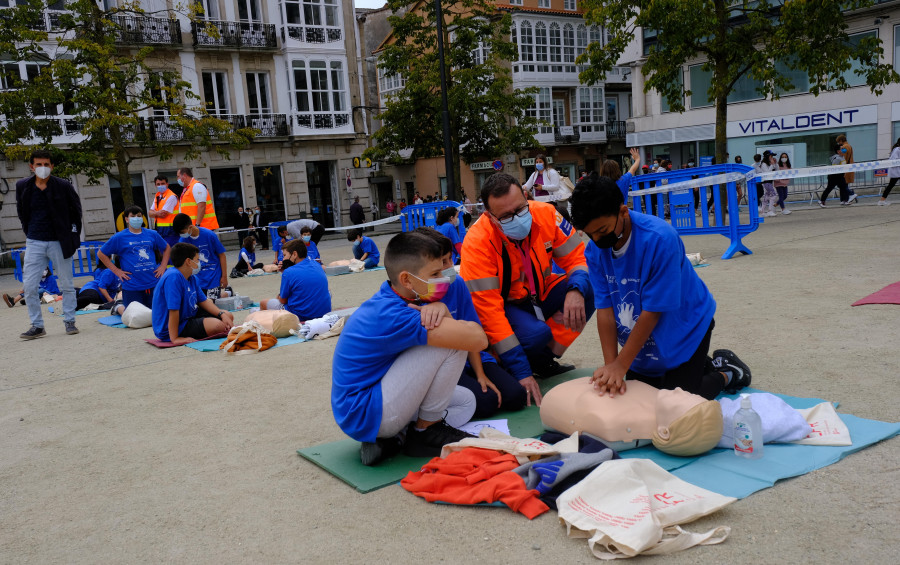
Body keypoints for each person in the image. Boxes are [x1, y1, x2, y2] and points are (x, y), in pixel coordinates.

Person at [569, 174, 751, 401]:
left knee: (677, 404)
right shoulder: (595, 250)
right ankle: (699, 365)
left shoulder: (659, 239)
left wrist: (622, 365)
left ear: (623, 212)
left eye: (603, 231)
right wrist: (612, 366)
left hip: (685, 327)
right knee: (639, 400)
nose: (597, 240)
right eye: (590, 234)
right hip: (644, 337)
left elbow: (653, 312)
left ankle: (728, 372)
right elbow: (605, 309)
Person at [331, 232, 487, 465]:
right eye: (434, 274)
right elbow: (477, 339)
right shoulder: (395, 314)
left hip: (363, 410)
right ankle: (426, 431)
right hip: (368, 412)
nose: (443, 278)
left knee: (466, 402)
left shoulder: (391, 298)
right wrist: (444, 311)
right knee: (453, 342)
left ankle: (398, 437)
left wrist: (442, 309)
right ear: (406, 279)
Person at [460, 173, 594, 407]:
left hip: (537, 294)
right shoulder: (477, 242)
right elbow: (489, 313)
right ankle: (511, 362)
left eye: (521, 209)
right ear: (489, 216)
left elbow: (576, 258)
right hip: (506, 305)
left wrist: (576, 289)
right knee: (536, 334)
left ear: (526, 196)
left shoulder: (547, 214)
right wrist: (521, 372)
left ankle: (543, 360)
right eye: (506, 216)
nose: (517, 219)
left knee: (588, 288)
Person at [417, 227, 526, 419]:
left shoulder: (457, 284)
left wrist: (481, 374)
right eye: (443, 262)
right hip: (445, 365)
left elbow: (471, 334)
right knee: (488, 402)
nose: (449, 265)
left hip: (472, 357)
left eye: (451, 258)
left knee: (516, 397)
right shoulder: (415, 295)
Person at [14, 150, 83, 339]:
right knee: (29, 286)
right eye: (38, 164)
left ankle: (70, 321)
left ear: (52, 166)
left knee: (67, 284)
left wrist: (73, 239)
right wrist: (30, 232)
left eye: (46, 164)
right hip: (35, 240)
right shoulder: (23, 186)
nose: (42, 168)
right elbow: (22, 212)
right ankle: (37, 326)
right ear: (31, 166)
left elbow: (76, 212)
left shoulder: (63, 186)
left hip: (59, 241)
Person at [151, 242, 233, 344]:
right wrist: (175, 339)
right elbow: (173, 310)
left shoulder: (192, 277)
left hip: (187, 316)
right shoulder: (173, 277)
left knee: (228, 316)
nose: (199, 263)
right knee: (218, 326)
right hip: (173, 327)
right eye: (197, 260)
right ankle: (177, 335)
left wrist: (221, 314)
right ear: (188, 261)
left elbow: (204, 301)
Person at [98, 205, 171, 315]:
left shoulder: (152, 234)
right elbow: (101, 254)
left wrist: (163, 266)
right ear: (127, 219)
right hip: (132, 285)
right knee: (135, 316)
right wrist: (117, 271)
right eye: (133, 216)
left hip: (153, 282)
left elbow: (167, 248)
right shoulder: (119, 237)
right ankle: (118, 307)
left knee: (158, 314)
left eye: (139, 216)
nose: (136, 218)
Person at [260, 240, 331, 320]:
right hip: (324, 312)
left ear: (294, 254)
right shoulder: (317, 265)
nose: (283, 259)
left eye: (284, 255)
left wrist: (284, 273)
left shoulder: (289, 272)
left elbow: (283, 300)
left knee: (263, 302)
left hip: (300, 315)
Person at [172, 213, 227, 295]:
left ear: (190, 227)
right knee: (202, 304)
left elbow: (222, 255)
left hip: (213, 277)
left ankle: (226, 293)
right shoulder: (183, 240)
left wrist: (224, 277)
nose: (182, 235)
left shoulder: (210, 235)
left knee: (212, 301)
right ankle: (226, 293)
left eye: (183, 232)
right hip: (196, 279)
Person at [147, 175, 180, 248]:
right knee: (164, 253)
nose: (160, 186)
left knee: (170, 254)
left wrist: (154, 213)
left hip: (171, 232)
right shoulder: (158, 196)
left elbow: (163, 214)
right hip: (161, 231)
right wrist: (157, 213)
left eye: (162, 183)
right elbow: (149, 213)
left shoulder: (171, 196)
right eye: (158, 184)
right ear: (155, 185)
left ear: (167, 184)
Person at [836, 134, 858, 204]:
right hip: (849, 167)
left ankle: (851, 194)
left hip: (845, 167)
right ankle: (844, 200)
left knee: (842, 184)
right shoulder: (848, 146)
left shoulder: (844, 147)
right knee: (844, 184)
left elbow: (843, 158)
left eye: (839, 142)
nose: (838, 143)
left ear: (841, 141)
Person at [878, 137, 900, 206]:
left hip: (897, 171)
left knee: (890, 186)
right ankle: (882, 200)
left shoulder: (897, 149)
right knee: (890, 186)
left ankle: (882, 200)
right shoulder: (897, 150)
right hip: (896, 171)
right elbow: (894, 160)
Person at [760, 152, 779, 218]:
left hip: (770, 182)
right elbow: (767, 173)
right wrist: (772, 165)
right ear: (767, 156)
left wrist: (775, 163)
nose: (772, 158)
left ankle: (762, 212)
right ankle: (770, 210)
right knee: (773, 195)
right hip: (766, 182)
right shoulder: (763, 164)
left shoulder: (770, 163)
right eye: (771, 156)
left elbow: (777, 170)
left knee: (767, 197)